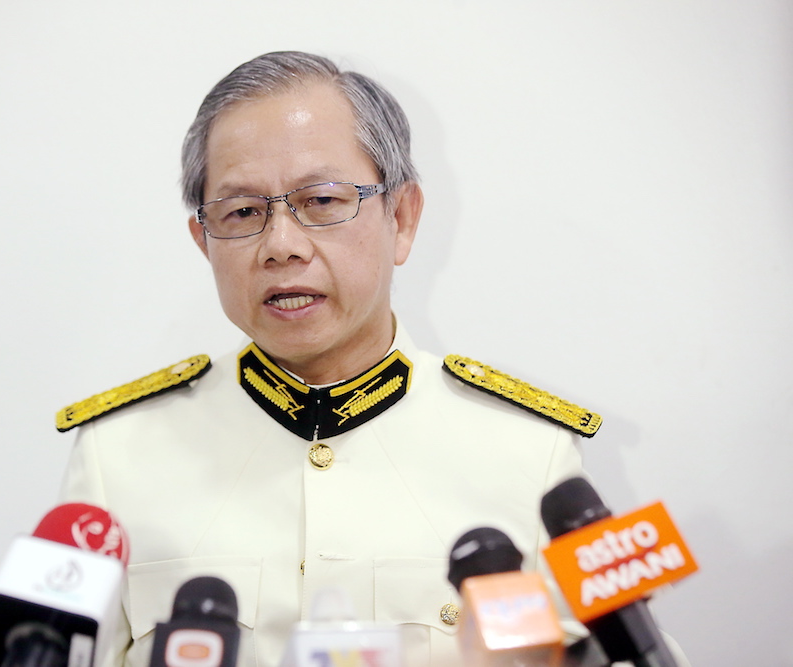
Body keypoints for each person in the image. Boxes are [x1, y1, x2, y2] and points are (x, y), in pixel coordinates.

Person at [56, 51, 602, 666]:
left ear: (401, 218)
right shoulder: (118, 453)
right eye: (241, 213)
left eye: (321, 201)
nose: (281, 246)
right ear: (203, 242)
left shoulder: (529, 453)